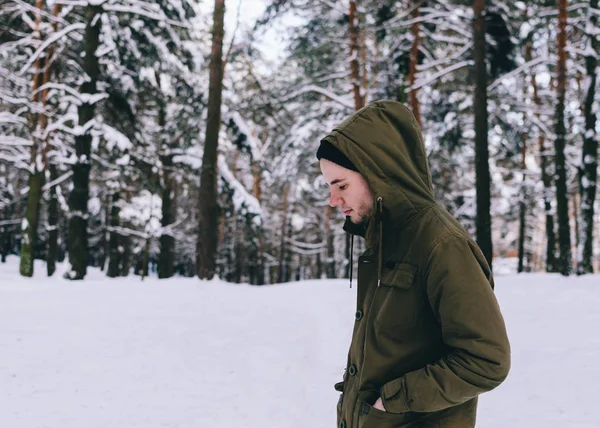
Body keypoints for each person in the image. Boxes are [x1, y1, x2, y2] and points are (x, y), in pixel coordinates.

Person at [316, 100, 510, 428]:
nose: (333, 200)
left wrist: (391, 401)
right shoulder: (386, 241)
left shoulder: (442, 245)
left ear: (378, 172)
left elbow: (485, 360)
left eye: (342, 185)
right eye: (330, 187)